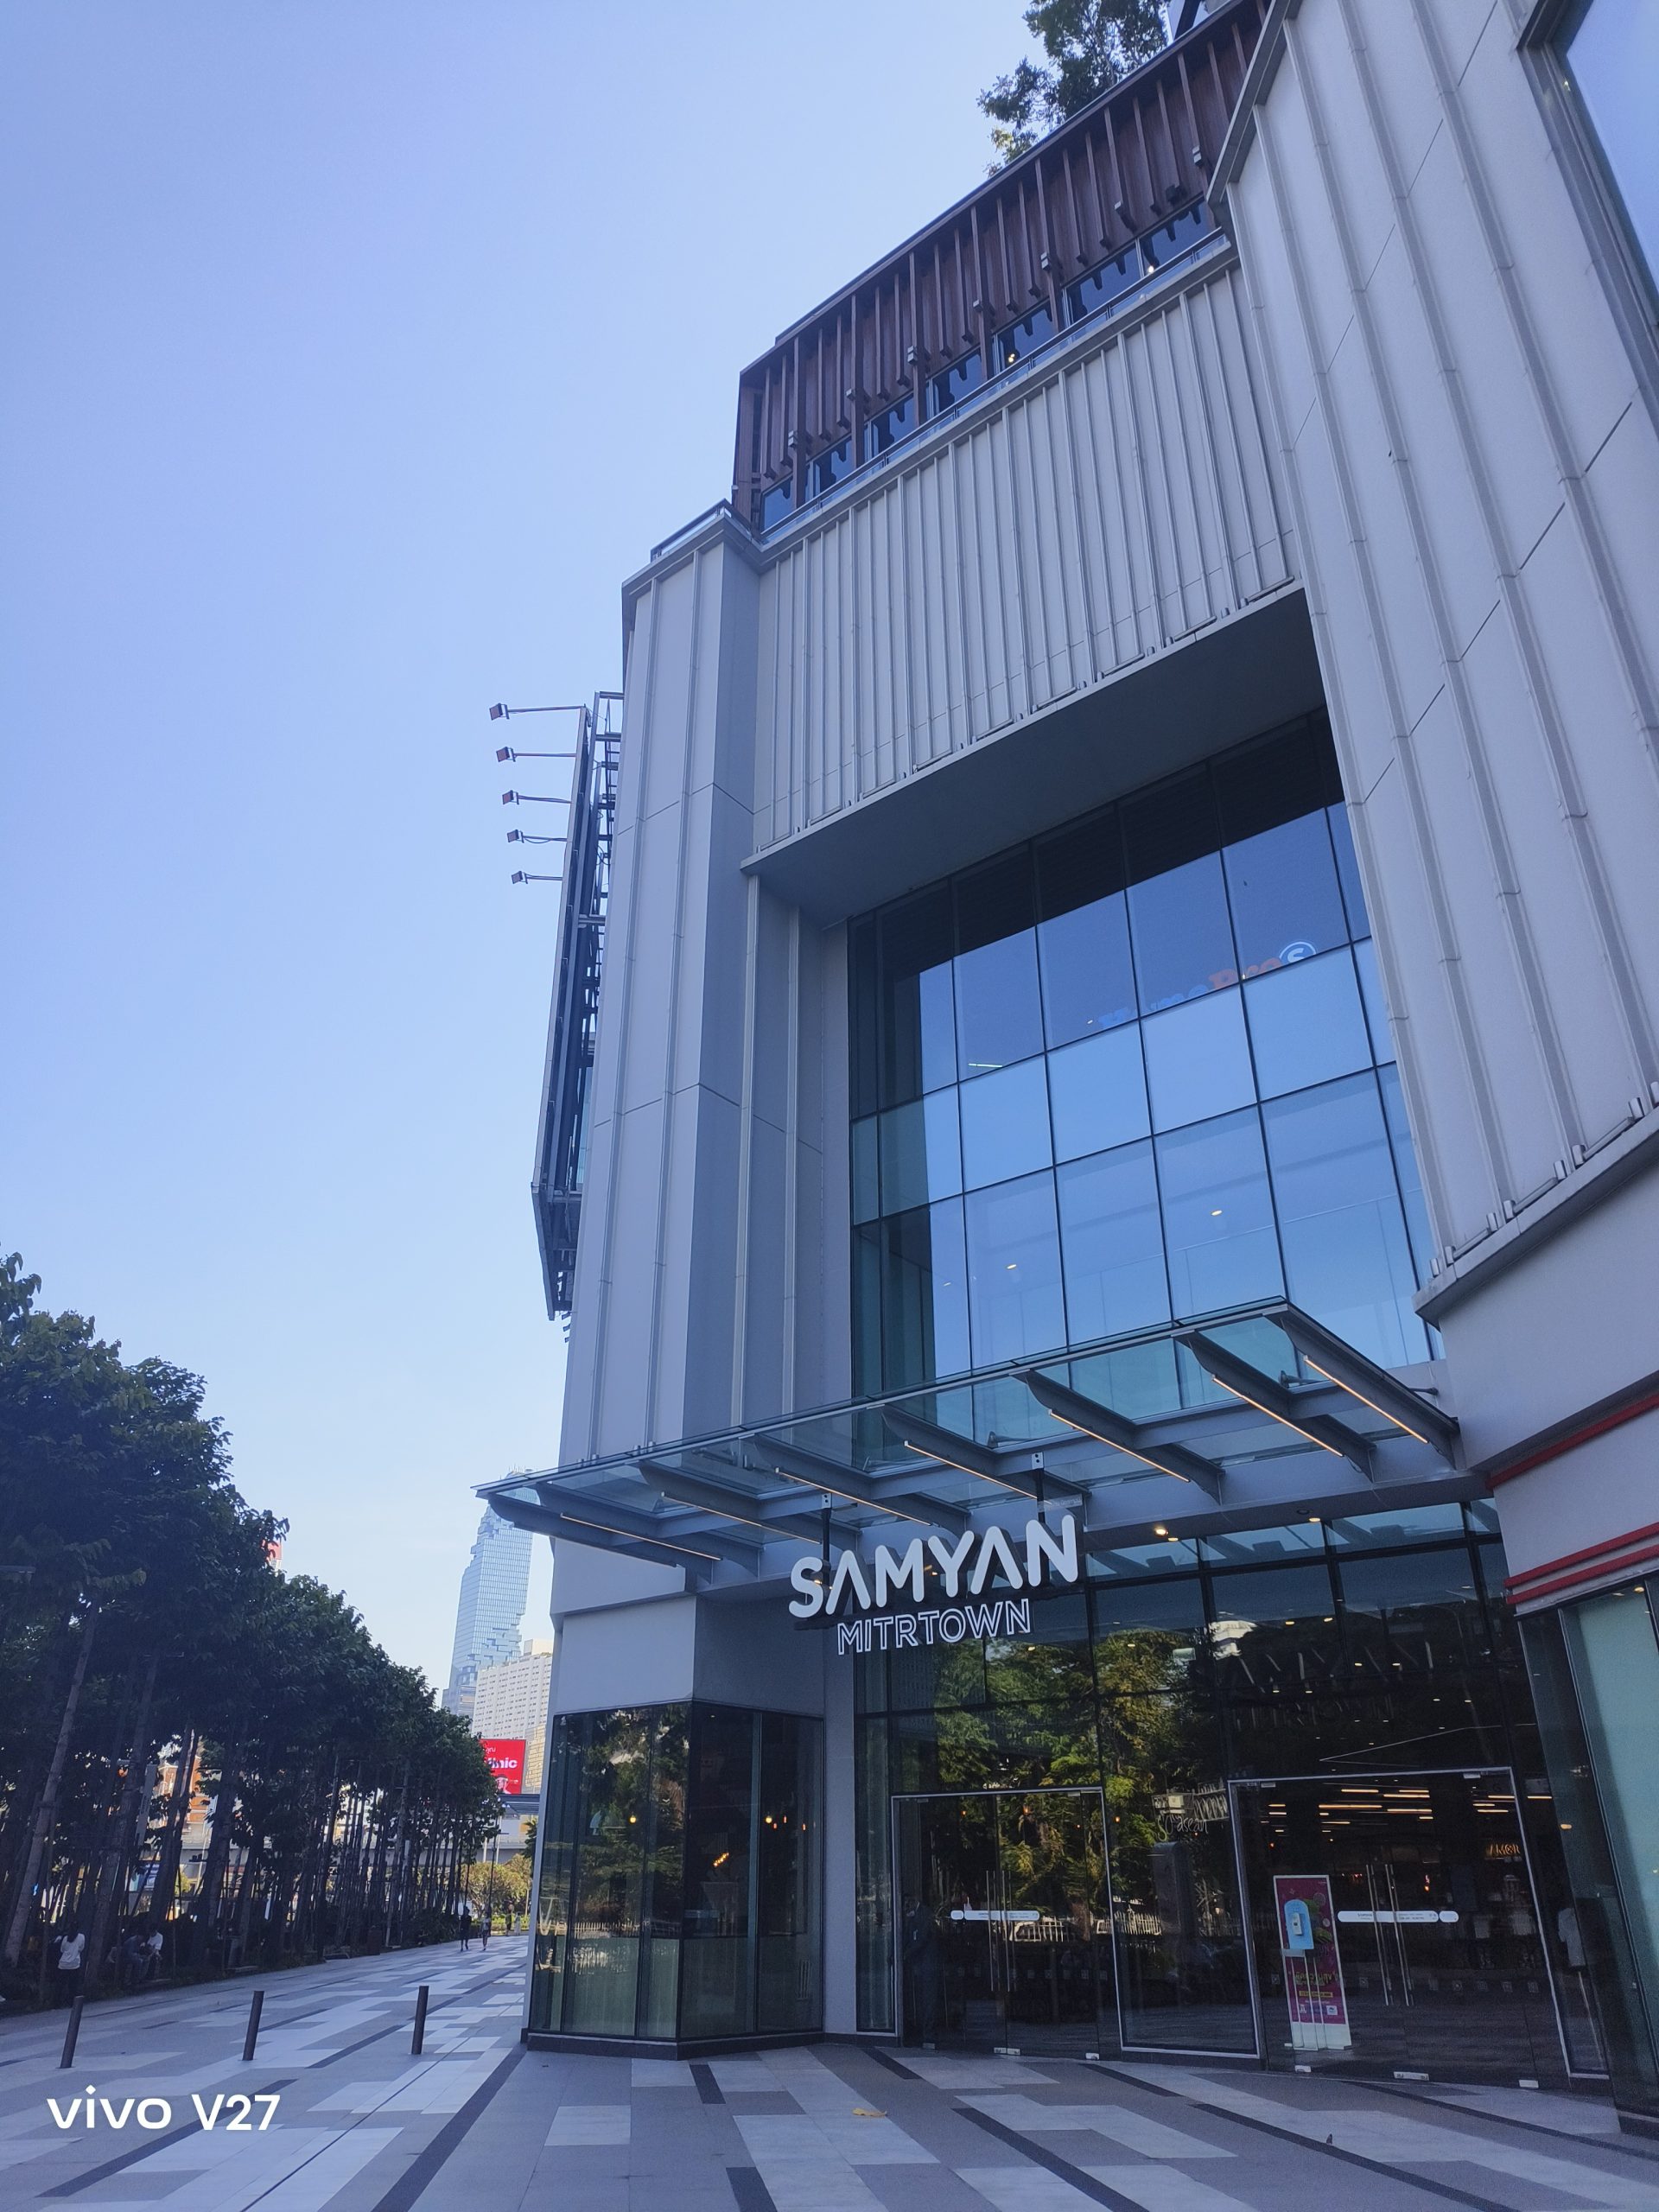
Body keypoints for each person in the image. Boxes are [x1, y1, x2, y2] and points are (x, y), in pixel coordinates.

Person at [54, 1928, 86, 2005]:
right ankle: (71, 2002)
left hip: (63, 1963)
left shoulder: (66, 1938)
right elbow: (81, 1948)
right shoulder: (81, 1937)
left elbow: (62, 1949)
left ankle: (56, 2002)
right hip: (74, 1964)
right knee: (73, 1985)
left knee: (60, 1984)